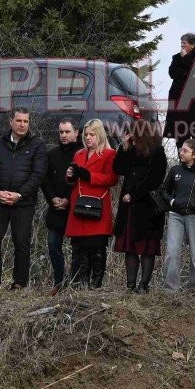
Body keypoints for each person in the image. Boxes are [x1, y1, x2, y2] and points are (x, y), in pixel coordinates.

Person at [0, 108, 46, 288]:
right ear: (11, 122)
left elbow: (38, 174)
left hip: (23, 203)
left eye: (26, 121)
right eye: (19, 121)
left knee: (21, 242)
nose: (22, 124)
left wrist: (20, 195)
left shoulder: (37, 144)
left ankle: (19, 282)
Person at [62, 118, 119, 289]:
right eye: (86, 135)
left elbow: (112, 179)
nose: (88, 138)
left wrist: (87, 175)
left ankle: (96, 284)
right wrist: (70, 175)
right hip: (78, 204)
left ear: (100, 135)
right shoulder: (79, 154)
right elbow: (72, 179)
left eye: (92, 135)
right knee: (79, 247)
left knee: (96, 246)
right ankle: (80, 283)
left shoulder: (109, 154)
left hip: (97, 205)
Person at [113, 120, 168, 292]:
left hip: (147, 208)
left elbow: (155, 179)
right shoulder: (130, 151)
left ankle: (144, 285)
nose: (131, 138)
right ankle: (130, 285)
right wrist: (123, 148)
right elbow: (118, 169)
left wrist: (134, 194)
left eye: (133, 134)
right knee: (130, 248)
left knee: (147, 248)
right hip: (128, 207)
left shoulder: (157, 152)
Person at [161, 136, 195, 292]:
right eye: (181, 149)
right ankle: (170, 288)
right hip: (175, 215)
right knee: (172, 252)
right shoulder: (175, 170)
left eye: (185, 150)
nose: (181, 153)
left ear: (194, 155)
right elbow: (163, 191)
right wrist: (172, 202)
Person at [40, 118, 83, 289]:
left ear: (76, 133)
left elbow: (80, 181)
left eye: (67, 132)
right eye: (61, 132)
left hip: (75, 209)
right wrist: (52, 199)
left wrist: (67, 199)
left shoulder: (81, 154)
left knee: (77, 249)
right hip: (55, 208)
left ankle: (75, 283)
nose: (63, 135)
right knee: (53, 244)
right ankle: (60, 281)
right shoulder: (52, 154)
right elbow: (45, 179)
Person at [166, 33, 195, 142]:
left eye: (184, 43)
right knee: (180, 133)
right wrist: (187, 72)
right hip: (178, 99)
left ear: (193, 44)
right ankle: (182, 157)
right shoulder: (176, 57)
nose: (182, 45)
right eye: (181, 42)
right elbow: (172, 73)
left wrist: (185, 58)